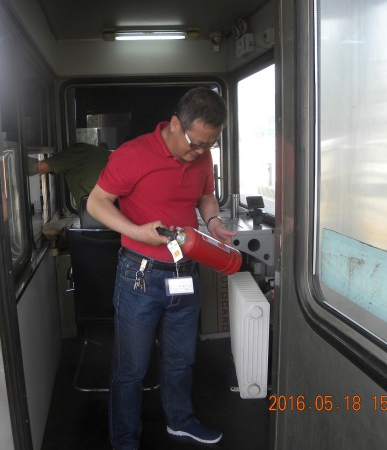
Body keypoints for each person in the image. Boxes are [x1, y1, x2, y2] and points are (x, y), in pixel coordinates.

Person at [86, 87, 237, 449]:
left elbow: (205, 195)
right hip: (140, 275)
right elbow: (97, 202)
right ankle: (125, 440)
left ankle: (179, 421)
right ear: (174, 124)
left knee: (181, 360)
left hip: (185, 273)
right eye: (195, 143)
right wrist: (135, 231)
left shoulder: (202, 156)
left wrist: (213, 222)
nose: (200, 152)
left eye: (209, 145)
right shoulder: (133, 154)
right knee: (131, 368)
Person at [29, 142, 110, 209]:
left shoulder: (77, 152)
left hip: (100, 214)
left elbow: (38, 168)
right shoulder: (99, 153)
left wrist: (21, 157)